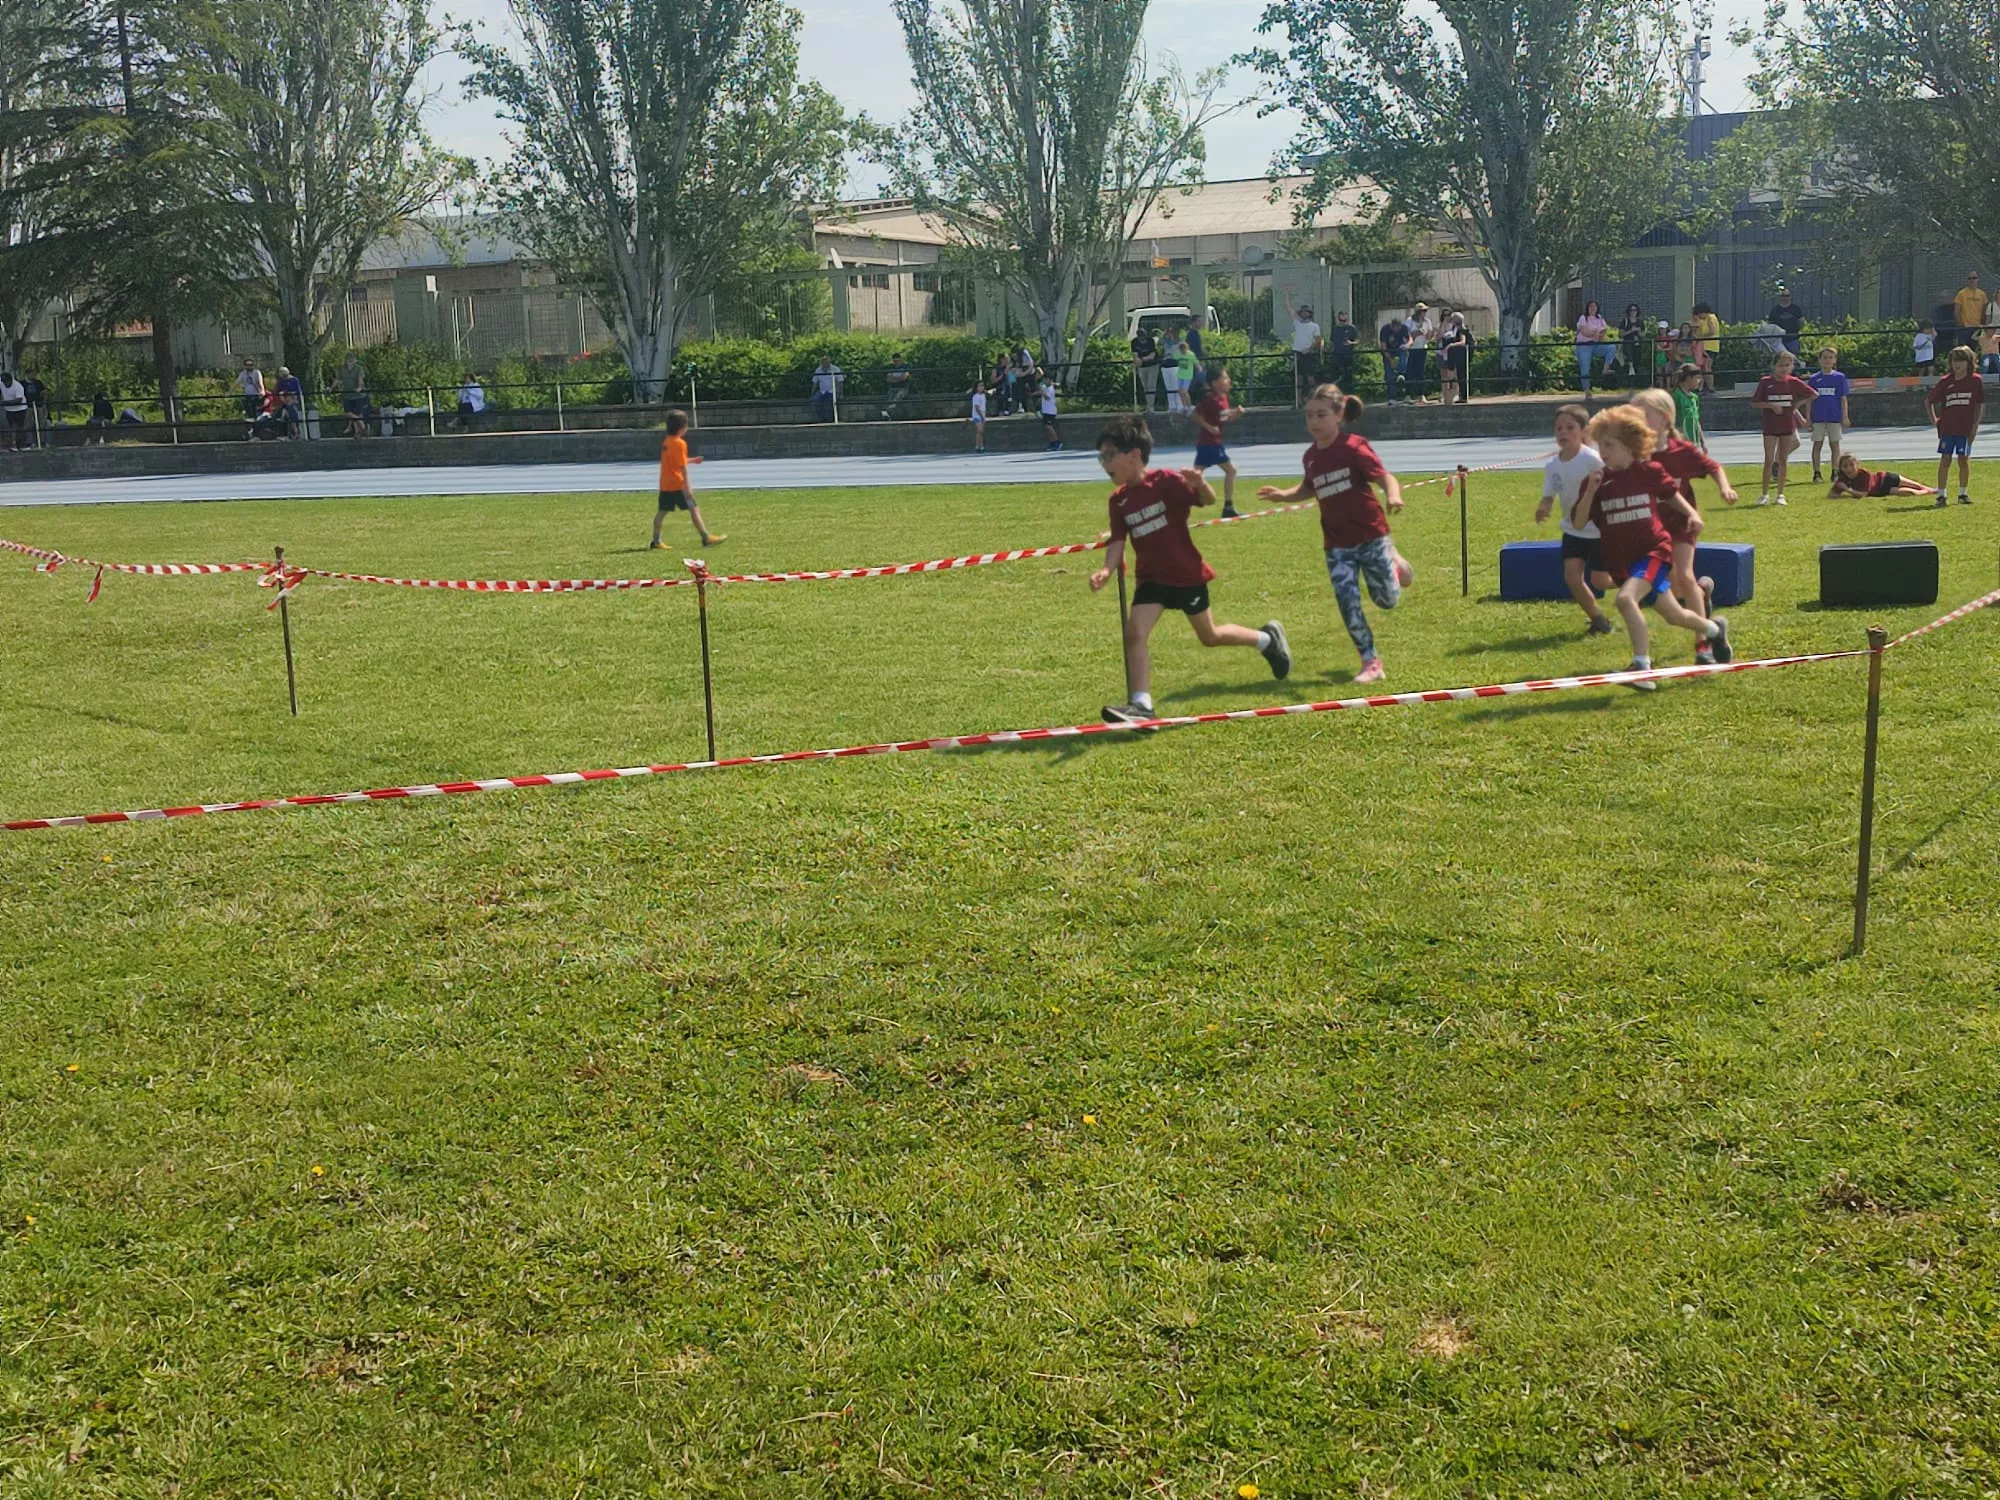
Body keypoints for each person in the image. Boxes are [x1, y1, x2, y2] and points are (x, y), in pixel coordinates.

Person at [1089, 415, 1291, 726]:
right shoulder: (1118, 501)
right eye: (1101, 456)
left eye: (1109, 456)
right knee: (1134, 633)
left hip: (1186, 576)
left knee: (1210, 636)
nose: (1104, 464)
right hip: (1151, 580)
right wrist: (1105, 570)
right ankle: (1142, 705)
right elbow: (1118, 541)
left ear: (1135, 456)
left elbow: (1206, 500)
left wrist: (1200, 483)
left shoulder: (1166, 481)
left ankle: (1266, 640)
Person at [1255, 383, 1415, 685]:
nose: (1314, 422)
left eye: (1321, 415)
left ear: (1339, 415)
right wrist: (1283, 495)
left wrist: (1394, 495)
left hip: (1371, 536)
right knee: (1347, 601)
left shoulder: (1354, 447)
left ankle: (1395, 565)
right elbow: (1307, 488)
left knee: (1386, 600)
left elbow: (1384, 477)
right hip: (1337, 544)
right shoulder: (1311, 457)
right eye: (1309, 416)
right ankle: (1371, 662)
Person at [1574, 405, 1733, 688]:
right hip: (1623, 562)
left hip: (1654, 553)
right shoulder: (1597, 480)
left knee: (1624, 600)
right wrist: (1590, 491)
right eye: (1600, 445)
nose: (1603, 451)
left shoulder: (1648, 471)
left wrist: (1692, 515)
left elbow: (1671, 495)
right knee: (1675, 616)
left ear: (1630, 445)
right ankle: (1713, 628)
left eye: (1609, 445)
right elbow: (1578, 521)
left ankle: (1641, 668)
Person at [1633, 387, 1740, 664]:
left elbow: (1714, 467)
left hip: (1682, 521)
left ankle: (1702, 646)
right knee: (1672, 589)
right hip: (1650, 527)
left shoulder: (1682, 451)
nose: (1638, 420)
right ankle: (1702, 595)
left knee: (1684, 575)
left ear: (1665, 418)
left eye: (1645, 415)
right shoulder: (1636, 452)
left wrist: (1725, 489)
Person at [1536, 403, 1614, 636]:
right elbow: (1550, 493)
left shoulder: (1592, 459)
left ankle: (1638, 578)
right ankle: (1599, 620)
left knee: (1600, 581)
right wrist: (1543, 507)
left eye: (1570, 428)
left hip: (1598, 530)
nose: (1563, 433)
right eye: (1558, 428)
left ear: (1584, 432)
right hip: (1572, 530)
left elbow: (1613, 479)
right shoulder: (1553, 465)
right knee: (1572, 578)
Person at [650, 410, 723, 550]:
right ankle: (706, 537)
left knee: (662, 511)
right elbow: (682, 467)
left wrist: (692, 460)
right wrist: (687, 486)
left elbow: (675, 462)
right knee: (694, 508)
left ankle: (656, 540)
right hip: (678, 484)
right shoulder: (680, 443)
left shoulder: (667, 442)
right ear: (682, 427)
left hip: (666, 484)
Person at [1750, 349, 1814, 506]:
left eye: (1787, 365)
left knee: (1783, 460)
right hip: (1770, 426)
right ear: (1774, 366)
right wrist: (1770, 405)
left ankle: (1780, 494)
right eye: (1780, 365)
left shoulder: (1793, 382)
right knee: (1769, 459)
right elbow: (1754, 403)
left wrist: (1796, 406)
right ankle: (1764, 494)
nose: (1784, 369)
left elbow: (1813, 394)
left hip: (1787, 425)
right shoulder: (1766, 382)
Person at [1927, 344, 1983, 507]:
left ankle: (1963, 493)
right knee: (1945, 459)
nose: (1957, 364)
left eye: (1961, 360)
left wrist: (1974, 426)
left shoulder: (1975, 381)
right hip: (1948, 428)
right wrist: (1934, 419)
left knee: (1963, 460)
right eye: (1954, 361)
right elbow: (1929, 400)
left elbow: (1979, 404)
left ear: (1969, 362)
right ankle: (1941, 495)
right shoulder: (1946, 382)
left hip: (1965, 428)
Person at [1192, 365, 1241, 518]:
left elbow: (1223, 418)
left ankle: (1176, 498)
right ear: (1215, 383)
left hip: (1210, 443)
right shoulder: (1210, 399)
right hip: (1209, 443)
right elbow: (1194, 415)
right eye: (1225, 378)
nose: (1228, 380)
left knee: (1195, 475)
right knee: (1231, 471)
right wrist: (1209, 427)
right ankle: (1228, 507)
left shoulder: (1224, 399)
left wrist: (1237, 414)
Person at [1805, 345, 1852, 482]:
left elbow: (1843, 398)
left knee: (1835, 445)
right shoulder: (1814, 379)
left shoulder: (1839, 377)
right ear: (1820, 360)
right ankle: (1817, 473)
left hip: (1834, 416)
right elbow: (1809, 400)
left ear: (1835, 360)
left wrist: (1845, 416)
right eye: (1824, 358)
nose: (1827, 360)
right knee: (1817, 444)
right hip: (1818, 417)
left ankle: (1835, 471)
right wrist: (1808, 418)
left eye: (1830, 358)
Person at [1829, 454, 1934, 499]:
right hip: (1882, 491)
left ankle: (1933, 490)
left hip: (1885, 478)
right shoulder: (1843, 478)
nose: (1849, 469)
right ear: (1841, 468)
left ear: (1857, 465)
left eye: (1851, 465)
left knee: (1916, 485)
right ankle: (1928, 492)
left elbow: (1864, 494)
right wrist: (1839, 488)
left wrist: (1847, 490)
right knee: (1910, 492)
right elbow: (1831, 495)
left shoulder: (1863, 474)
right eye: (1845, 466)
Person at [1286, 295, 1323, 403]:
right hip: (1297, 353)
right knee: (1298, 379)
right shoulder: (1297, 323)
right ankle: (1299, 401)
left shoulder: (1314, 326)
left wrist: (1309, 349)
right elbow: (1289, 309)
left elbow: (1318, 340)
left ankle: (1314, 401)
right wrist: (1287, 294)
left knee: (1311, 378)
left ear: (1310, 314)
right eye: (1302, 312)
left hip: (1308, 354)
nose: (1304, 313)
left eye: (1306, 312)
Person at [1574, 300, 1612, 397]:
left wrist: (1597, 332)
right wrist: (1596, 333)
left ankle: (1606, 369)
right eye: (1590, 306)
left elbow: (1605, 329)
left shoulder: (1600, 318)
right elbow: (1584, 331)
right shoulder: (1583, 318)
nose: (1592, 308)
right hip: (1584, 345)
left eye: (1594, 307)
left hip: (1595, 345)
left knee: (1611, 348)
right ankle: (1587, 389)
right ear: (1587, 308)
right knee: (1585, 368)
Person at [1403, 302, 1434, 403]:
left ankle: (1422, 394)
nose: (1424, 313)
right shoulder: (1409, 321)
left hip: (1422, 348)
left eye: (1425, 311)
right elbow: (1405, 334)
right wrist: (1415, 334)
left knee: (1421, 372)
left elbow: (1429, 336)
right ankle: (1408, 395)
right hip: (1412, 349)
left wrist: (1429, 334)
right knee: (1410, 372)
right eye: (1422, 311)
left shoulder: (1427, 322)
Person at [1439, 313, 1472, 404]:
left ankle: (1464, 396)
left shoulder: (1461, 330)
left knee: (1462, 375)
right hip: (1459, 355)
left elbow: (1462, 341)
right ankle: (1462, 395)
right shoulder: (1457, 329)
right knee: (1460, 375)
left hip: (1462, 355)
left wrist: (1450, 345)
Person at [1671, 363, 1706, 449]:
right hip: (1681, 443)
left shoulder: (1694, 397)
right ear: (1688, 378)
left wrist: (1703, 442)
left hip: (1694, 443)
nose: (1699, 381)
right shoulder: (1676, 396)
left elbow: (1696, 421)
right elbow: (1671, 420)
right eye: (1697, 378)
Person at [1378, 314, 1409, 403]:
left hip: (1398, 348)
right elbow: (1383, 347)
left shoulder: (1403, 328)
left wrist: (1407, 345)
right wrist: (1390, 360)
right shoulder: (1385, 330)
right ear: (1392, 326)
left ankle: (1401, 373)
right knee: (1389, 374)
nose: (1397, 330)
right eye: (1396, 328)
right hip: (1388, 351)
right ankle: (1392, 397)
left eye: (1399, 328)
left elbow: (1409, 339)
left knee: (1403, 352)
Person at [1690, 302, 1721, 390]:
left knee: (1707, 367)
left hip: (1709, 346)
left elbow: (1712, 331)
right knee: (1704, 368)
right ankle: (1705, 387)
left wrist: (1700, 337)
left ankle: (1711, 387)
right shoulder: (1705, 320)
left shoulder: (1710, 318)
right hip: (1706, 346)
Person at [338, 352, 369, 438]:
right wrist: (331, 388)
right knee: (348, 412)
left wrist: (359, 387)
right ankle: (362, 425)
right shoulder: (342, 369)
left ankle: (358, 432)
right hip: (347, 394)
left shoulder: (358, 368)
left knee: (358, 413)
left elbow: (360, 378)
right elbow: (338, 380)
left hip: (358, 395)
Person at [1130, 325, 1161, 412]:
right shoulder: (1134, 342)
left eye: (1143, 338)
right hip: (1141, 367)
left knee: (1151, 386)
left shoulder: (1150, 341)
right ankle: (1148, 406)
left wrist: (1142, 359)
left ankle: (1151, 407)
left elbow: (1152, 356)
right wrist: (1136, 360)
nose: (1142, 340)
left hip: (1152, 365)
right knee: (1145, 386)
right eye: (1141, 339)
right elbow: (1135, 354)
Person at [1766, 286, 1805, 356]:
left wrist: (1797, 331)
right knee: (1779, 358)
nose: (1785, 298)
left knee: (1793, 358)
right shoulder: (1775, 310)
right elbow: (1770, 324)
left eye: (1787, 296)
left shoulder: (1796, 309)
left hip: (1792, 338)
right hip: (1778, 340)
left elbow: (1801, 321)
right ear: (1780, 297)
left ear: (1790, 297)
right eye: (1783, 296)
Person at [1954, 273, 1989, 344]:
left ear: (1978, 279)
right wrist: (1959, 323)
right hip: (1965, 327)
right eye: (1969, 278)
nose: (1972, 280)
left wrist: (1983, 324)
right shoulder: (1961, 293)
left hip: (1977, 327)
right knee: (1963, 349)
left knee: (1974, 349)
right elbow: (1956, 310)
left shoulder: (1982, 294)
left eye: (1974, 278)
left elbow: (1984, 311)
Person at [1329, 310, 1359, 389]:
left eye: (1344, 315)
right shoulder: (1335, 328)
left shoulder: (1351, 328)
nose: (1343, 317)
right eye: (1341, 315)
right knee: (1337, 374)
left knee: (1348, 376)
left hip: (1348, 355)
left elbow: (1357, 341)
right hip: (1337, 356)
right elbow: (1332, 342)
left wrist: (1351, 343)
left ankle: (1349, 392)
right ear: (1338, 317)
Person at [1617, 303, 1648, 381]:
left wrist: (1639, 332)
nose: (1633, 312)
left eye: (1635, 310)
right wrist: (1631, 330)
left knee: (1637, 360)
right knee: (1629, 358)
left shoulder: (1640, 322)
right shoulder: (1625, 321)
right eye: (1631, 310)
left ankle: (1636, 380)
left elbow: (1643, 334)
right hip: (1628, 343)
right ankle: (1630, 373)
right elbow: (1620, 334)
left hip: (1637, 343)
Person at [1158, 331, 1185, 417]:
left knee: (1176, 386)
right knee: (1168, 387)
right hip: (1165, 365)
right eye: (1168, 332)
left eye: (1171, 332)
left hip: (1175, 365)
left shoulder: (1179, 342)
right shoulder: (1165, 342)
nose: (1170, 334)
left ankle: (1179, 406)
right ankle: (1171, 406)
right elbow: (1159, 341)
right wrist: (1164, 334)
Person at [0, 370, 28, 451]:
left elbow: (18, 400)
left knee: (20, 426)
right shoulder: (2, 383)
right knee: (12, 427)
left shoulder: (18, 386)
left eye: (7, 383)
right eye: (4, 383)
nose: (6, 384)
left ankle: (23, 444)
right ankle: (13, 444)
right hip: (9, 410)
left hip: (20, 408)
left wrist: (4, 403)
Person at [237, 357, 266, 435]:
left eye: (251, 365)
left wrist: (262, 391)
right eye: (247, 365)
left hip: (256, 395)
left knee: (256, 413)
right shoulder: (243, 373)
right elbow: (237, 383)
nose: (249, 366)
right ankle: (252, 431)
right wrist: (229, 392)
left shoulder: (257, 372)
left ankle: (258, 431)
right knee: (249, 414)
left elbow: (260, 382)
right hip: (248, 396)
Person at [1172, 332, 1198, 418]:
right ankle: (1184, 406)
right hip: (1180, 375)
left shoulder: (1190, 355)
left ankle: (1190, 406)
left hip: (1187, 375)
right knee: (1180, 391)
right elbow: (1174, 356)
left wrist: (1199, 367)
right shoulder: (1179, 354)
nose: (1182, 352)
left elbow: (1196, 362)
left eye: (1184, 350)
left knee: (1184, 391)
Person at [880, 353, 913, 420]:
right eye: (895, 361)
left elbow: (905, 377)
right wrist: (899, 379)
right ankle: (889, 413)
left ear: (901, 360)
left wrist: (894, 378)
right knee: (890, 398)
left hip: (903, 388)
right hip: (892, 388)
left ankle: (887, 411)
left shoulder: (906, 366)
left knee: (897, 397)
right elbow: (888, 379)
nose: (896, 362)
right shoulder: (890, 367)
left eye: (898, 361)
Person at [275, 366, 304, 438]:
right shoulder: (280, 382)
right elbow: (279, 392)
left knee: (291, 410)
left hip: (293, 400)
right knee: (285, 411)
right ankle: (292, 432)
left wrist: (292, 398)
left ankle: (295, 432)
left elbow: (298, 392)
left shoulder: (294, 380)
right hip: (284, 401)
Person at [810, 357, 842, 422]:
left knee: (829, 402)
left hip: (833, 391)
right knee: (815, 401)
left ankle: (831, 419)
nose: (825, 365)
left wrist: (841, 393)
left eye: (826, 363)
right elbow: (815, 383)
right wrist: (812, 394)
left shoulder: (835, 369)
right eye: (823, 363)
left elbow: (840, 382)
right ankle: (822, 418)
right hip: (822, 391)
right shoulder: (818, 370)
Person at [1037, 374, 1061, 450]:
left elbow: (1047, 397)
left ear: (1050, 380)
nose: (1045, 381)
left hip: (1050, 411)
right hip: (1045, 411)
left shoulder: (1051, 389)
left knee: (1049, 427)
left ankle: (1057, 442)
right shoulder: (1046, 387)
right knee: (1047, 428)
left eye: (1047, 379)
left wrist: (1042, 391)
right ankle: (1052, 443)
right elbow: (1041, 390)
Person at [969, 381, 987, 452]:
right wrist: (981, 416)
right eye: (979, 386)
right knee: (980, 430)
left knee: (980, 432)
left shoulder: (983, 395)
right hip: (977, 416)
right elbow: (977, 407)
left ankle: (981, 446)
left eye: (982, 386)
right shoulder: (975, 396)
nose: (981, 387)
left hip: (983, 415)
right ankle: (977, 446)